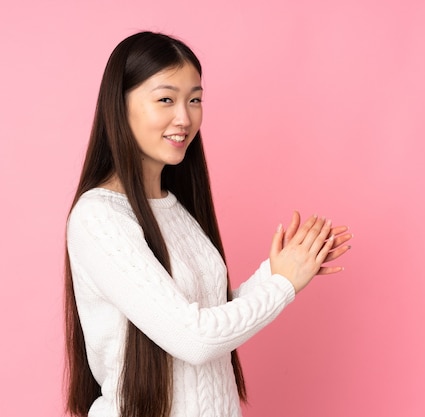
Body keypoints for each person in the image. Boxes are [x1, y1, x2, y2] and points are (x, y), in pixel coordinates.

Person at [64, 31, 352, 417]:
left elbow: (212, 312)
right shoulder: (98, 217)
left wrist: (279, 270)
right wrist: (284, 284)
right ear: (120, 105)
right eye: (165, 99)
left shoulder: (176, 207)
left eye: (195, 100)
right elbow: (193, 337)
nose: (184, 118)